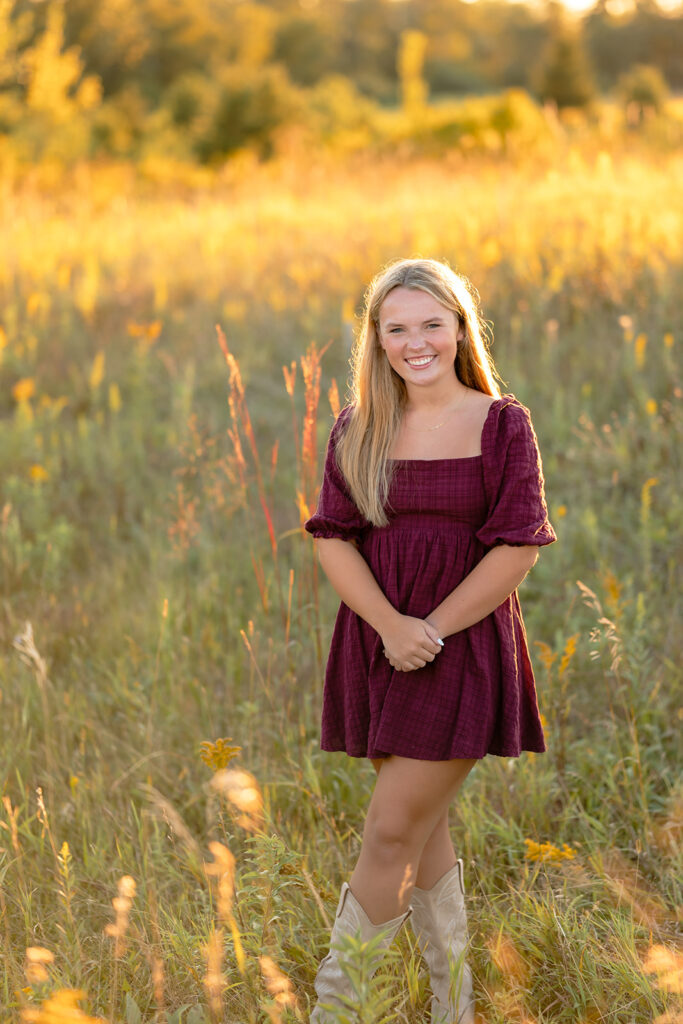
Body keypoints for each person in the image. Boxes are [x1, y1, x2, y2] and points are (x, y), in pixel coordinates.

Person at [304, 257, 557, 1023]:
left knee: (387, 831)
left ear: (457, 329)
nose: (416, 343)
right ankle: (453, 1007)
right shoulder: (359, 426)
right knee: (420, 827)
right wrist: (389, 627)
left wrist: (430, 631)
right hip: (378, 643)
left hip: (460, 646)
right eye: (396, 329)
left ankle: (335, 1009)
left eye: (430, 325)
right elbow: (333, 538)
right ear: (376, 340)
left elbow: (516, 546)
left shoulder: (499, 422)